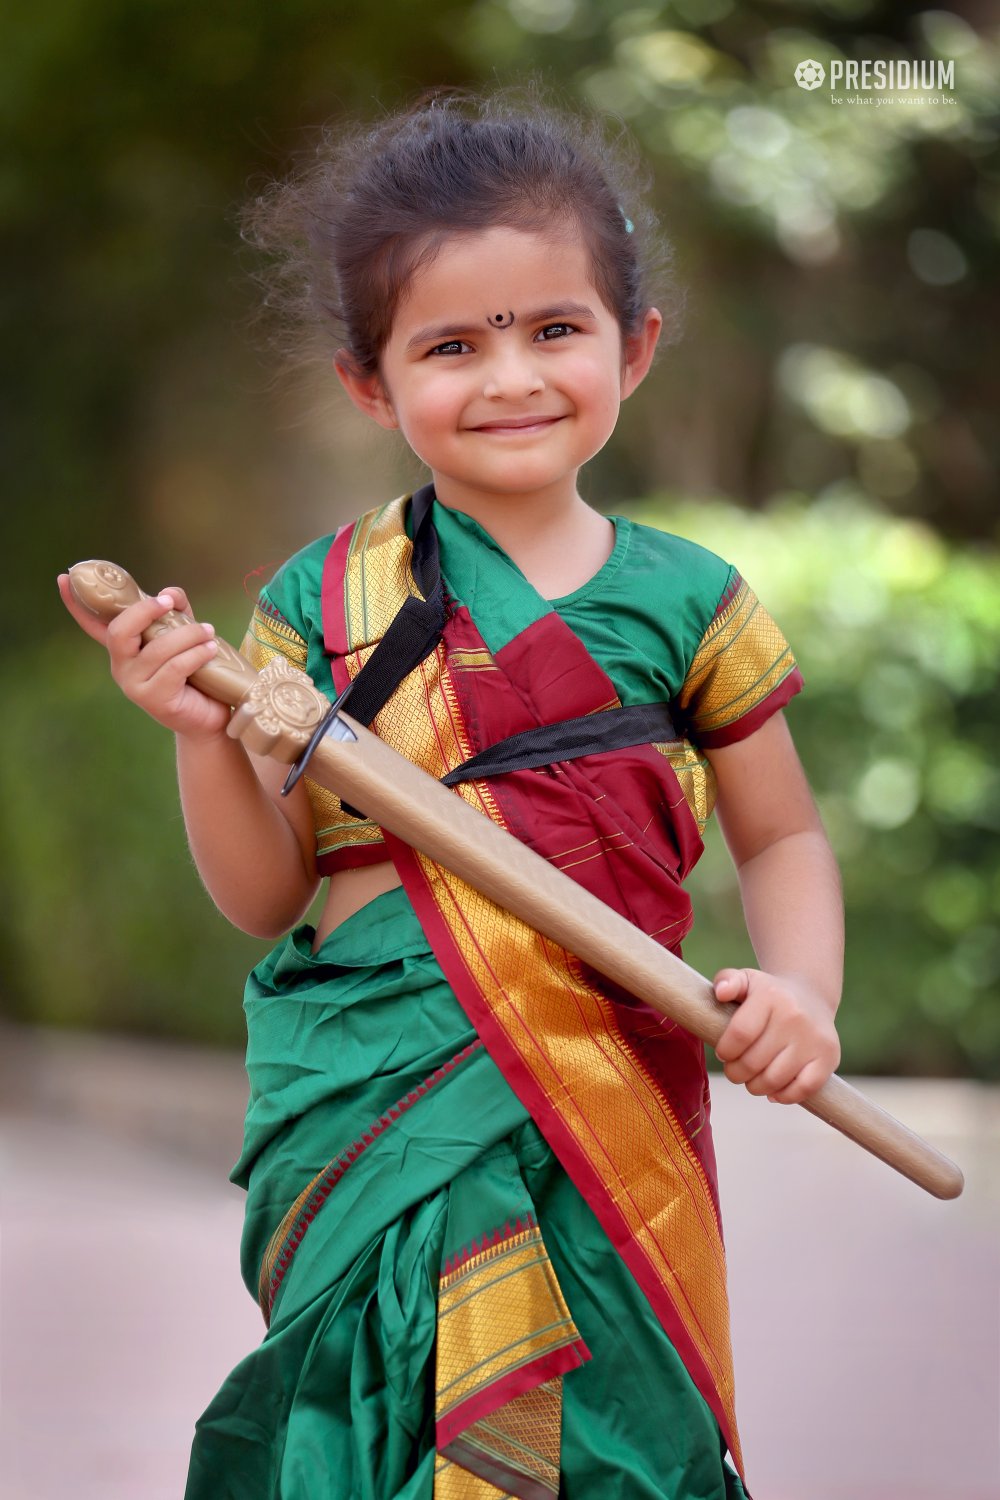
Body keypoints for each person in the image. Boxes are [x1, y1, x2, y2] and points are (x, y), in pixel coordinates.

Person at [58, 89, 843, 1500]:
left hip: (602, 1094)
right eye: (452, 345)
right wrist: (193, 733)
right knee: (384, 1427)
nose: (510, 376)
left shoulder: (694, 604)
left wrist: (806, 994)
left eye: (554, 329)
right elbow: (268, 894)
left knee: (606, 1442)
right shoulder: (317, 605)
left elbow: (783, 836)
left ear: (635, 346)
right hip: (374, 1100)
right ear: (372, 383)